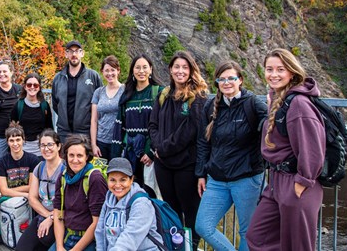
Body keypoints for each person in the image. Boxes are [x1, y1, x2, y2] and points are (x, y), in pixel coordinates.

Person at [246, 48, 326, 251]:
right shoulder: (279, 99)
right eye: (269, 69)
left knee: (298, 246)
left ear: (292, 72)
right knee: (258, 237)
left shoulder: (299, 103)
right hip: (276, 182)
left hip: (297, 182)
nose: (274, 74)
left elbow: (312, 148)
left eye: (280, 69)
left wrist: (303, 182)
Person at [195, 61, 268, 251]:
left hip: (247, 178)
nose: (227, 83)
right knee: (203, 226)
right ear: (217, 82)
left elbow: (272, 129)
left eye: (231, 78)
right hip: (217, 179)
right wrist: (201, 173)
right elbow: (203, 141)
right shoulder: (211, 106)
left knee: (247, 233)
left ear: (240, 80)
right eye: (222, 79)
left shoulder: (252, 104)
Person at [148, 50, 208, 249]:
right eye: (177, 67)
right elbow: (153, 124)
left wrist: (162, 148)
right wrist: (156, 146)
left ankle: (190, 247)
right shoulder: (164, 95)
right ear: (170, 70)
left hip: (186, 166)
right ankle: (175, 246)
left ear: (191, 70)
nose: (180, 71)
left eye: (185, 67)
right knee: (171, 211)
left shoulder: (198, 99)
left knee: (190, 212)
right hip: (163, 165)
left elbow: (188, 133)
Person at [112, 54, 163, 195]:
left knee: (151, 193)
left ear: (151, 69)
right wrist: (115, 156)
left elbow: (162, 126)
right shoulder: (127, 95)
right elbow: (119, 126)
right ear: (132, 71)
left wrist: (151, 151)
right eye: (138, 67)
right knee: (130, 192)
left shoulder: (159, 92)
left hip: (150, 155)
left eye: (145, 67)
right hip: (130, 153)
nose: (141, 71)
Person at [0, 121, 41, 245]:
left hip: (27, 201)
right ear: (7, 142)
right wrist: (25, 192)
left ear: (23, 140)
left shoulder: (33, 160)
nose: (15, 143)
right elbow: (3, 191)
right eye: (12, 140)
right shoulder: (2, 162)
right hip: (8, 200)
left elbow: (33, 187)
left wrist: (19, 192)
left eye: (18, 139)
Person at [95, 157, 164, 251]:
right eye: (112, 180)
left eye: (123, 180)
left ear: (131, 180)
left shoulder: (141, 203)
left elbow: (129, 238)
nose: (118, 185)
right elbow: (100, 232)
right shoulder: (109, 198)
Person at [52, 135, 107, 251]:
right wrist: (59, 246)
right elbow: (58, 216)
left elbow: (96, 223)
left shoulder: (95, 178)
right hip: (67, 235)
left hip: (89, 239)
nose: (75, 160)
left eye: (80, 156)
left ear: (87, 157)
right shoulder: (63, 177)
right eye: (71, 155)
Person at [16, 129, 64, 251]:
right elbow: (32, 198)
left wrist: (52, 218)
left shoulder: (65, 170)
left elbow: (69, 203)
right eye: (42, 145)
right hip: (43, 214)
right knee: (21, 248)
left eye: (50, 145)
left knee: (46, 237)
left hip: (61, 218)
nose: (46, 149)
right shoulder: (40, 167)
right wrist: (47, 215)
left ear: (58, 146)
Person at [52, 40, 103, 142]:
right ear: (66, 54)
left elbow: (100, 103)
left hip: (85, 132)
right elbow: (55, 104)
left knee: (84, 158)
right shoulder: (58, 78)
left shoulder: (93, 76)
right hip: (64, 132)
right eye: (70, 51)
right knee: (65, 158)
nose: (74, 54)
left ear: (82, 53)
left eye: (77, 51)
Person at [90, 56, 124, 161]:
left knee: (117, 174)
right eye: (106, 71)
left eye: (113, 70)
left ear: (118, 71)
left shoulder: (125, 90)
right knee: (102, 174)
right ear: (102, 72)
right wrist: (94, 144)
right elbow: (94, 120)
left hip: (119, 141)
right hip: (101, 141)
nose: (110, 74)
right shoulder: (98, 92)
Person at [10, 73, 53, 156]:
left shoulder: (44, 106)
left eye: (35, 85)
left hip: (40, 150)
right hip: (22, 150)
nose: (32, 87)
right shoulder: (18, 105)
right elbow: (12, 128)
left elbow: (49, 128)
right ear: (25, 87)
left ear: (39, 87)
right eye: (29, 85)